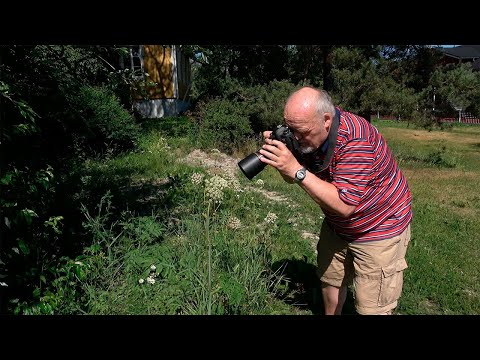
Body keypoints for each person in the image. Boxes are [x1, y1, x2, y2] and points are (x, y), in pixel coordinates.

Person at [258, 86, 412, 315]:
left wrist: (296, 170)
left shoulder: (356, 140)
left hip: (378, 225)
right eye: (291, 130)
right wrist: (284, 163)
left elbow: (344, 204)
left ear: (326, 120)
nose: (296, 138)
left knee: (372, 308)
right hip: (337, 225)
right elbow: (292, 178)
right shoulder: (307, 134)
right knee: (331, 279)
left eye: (301, 132)